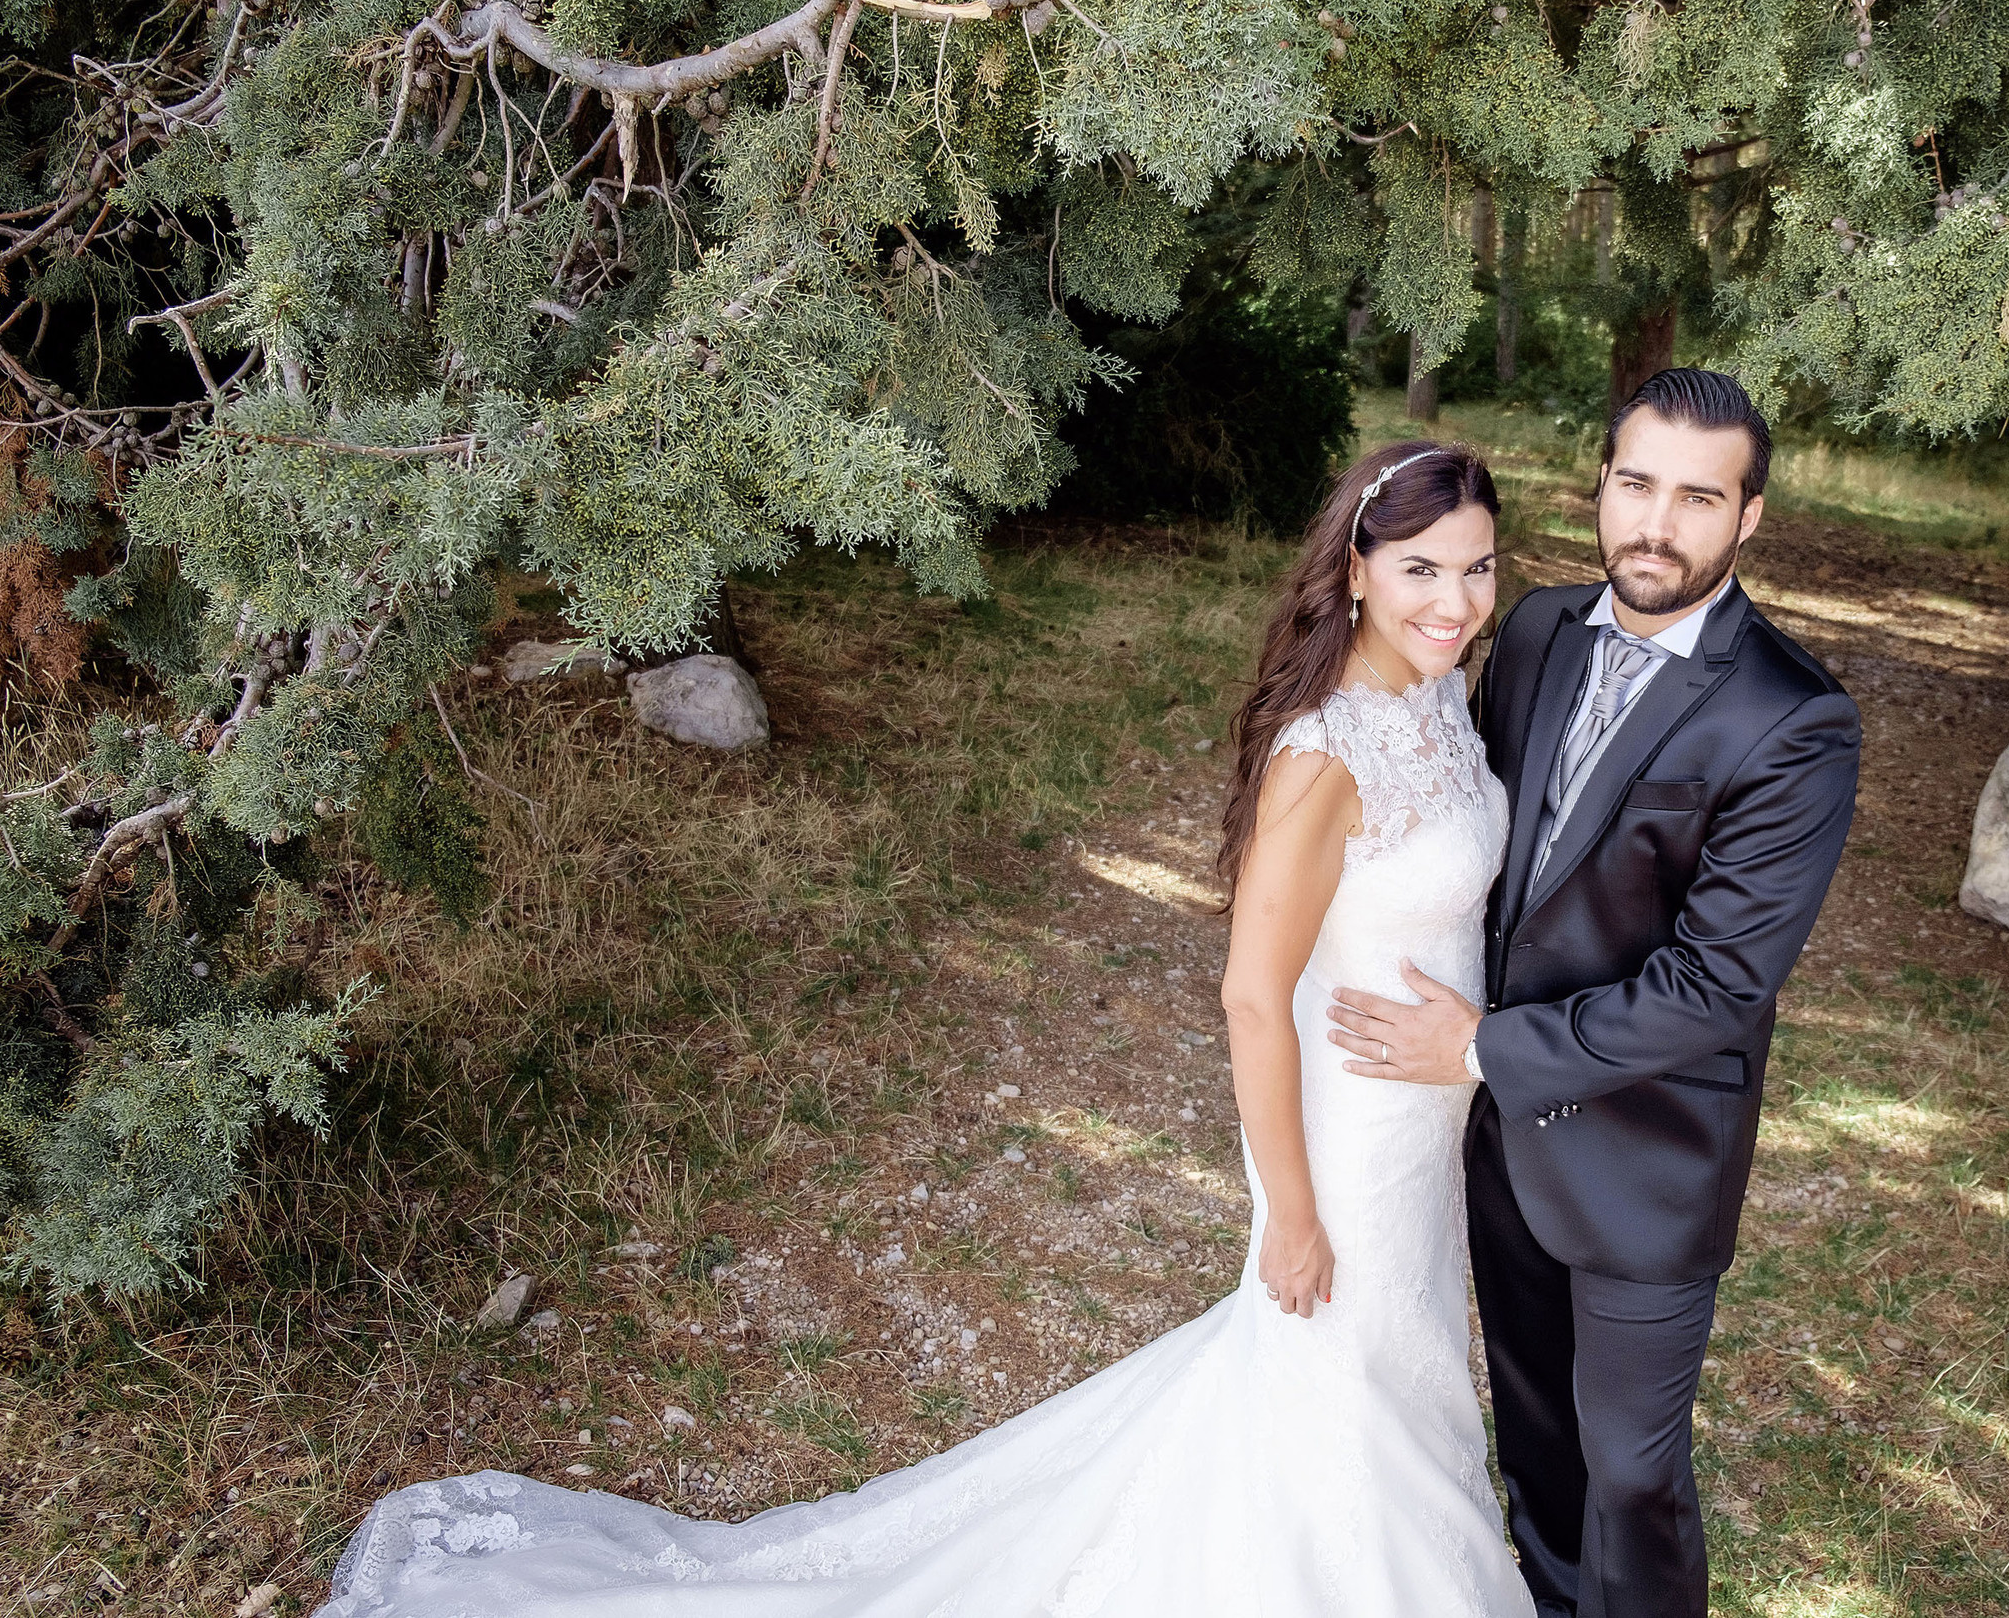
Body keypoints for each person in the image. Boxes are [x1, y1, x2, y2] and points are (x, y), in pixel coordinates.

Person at [310, 442, 1536, 1617]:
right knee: (1338, 1384)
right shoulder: (1325, 757)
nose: (1454, 599)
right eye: (1421, 567)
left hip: (1421, 1131)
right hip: (1346, 1143)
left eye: (1476, 567)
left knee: (1399, 1370)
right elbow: (1250, 997)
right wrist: (1296, 1215)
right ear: (1357, 569)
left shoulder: (1438, 701)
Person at [1330, 368, 1860, 1617]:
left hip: (1646, 1158)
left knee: (1629, 1473)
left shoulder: (1791, 717)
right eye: (1634, 485)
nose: (1655, 526)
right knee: (1539, 1446)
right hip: (1502, 1147)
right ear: (1601, 485)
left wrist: (1479, 1051)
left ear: (1749, 518)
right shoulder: (1534, 632)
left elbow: (1718, 984)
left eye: (1696, 497)